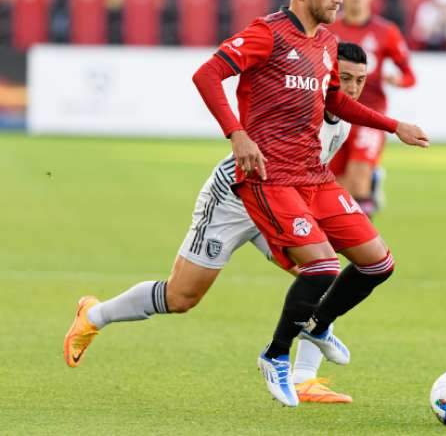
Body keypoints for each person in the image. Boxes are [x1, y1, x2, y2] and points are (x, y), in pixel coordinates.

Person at [63, 43, 371, 405]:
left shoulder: (344, 122)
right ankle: (94, 315)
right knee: (181, 297)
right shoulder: (299, 105)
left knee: (323, 276)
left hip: (281, 204)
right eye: (344, 78)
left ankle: (304, 379)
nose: (351, 89)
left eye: (359, 81)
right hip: (234, 198)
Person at [191, 0, 428, 407]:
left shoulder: (326, 42)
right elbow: (207, 74)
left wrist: (392, 125)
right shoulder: (268, 33)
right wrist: (237, 134)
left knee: (378, 263)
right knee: (321, 265)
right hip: (269, 177)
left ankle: (318, 326)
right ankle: (276, 356)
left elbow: (336, 102)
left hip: (313, 176)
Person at [327, 0, 416, 217]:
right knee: (339, 187)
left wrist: (398, 80)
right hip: (336, 114)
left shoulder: (385, 32)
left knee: (358, 180)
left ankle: (364, 252)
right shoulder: (328, 30)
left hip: (370, 115)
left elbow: (410, 76)